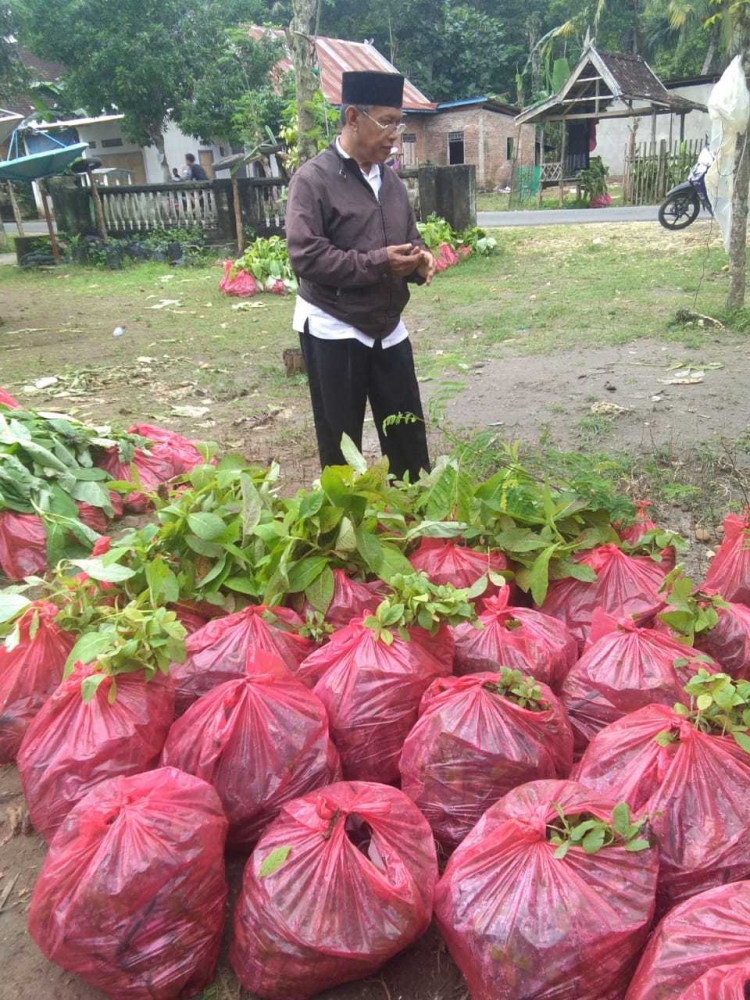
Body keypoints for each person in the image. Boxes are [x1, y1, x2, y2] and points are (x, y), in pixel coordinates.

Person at [286, 71, 435, 482]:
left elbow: (409, 238)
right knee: (341, 445)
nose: (394, 135)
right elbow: (306, 256)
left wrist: (420, 260)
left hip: (388, 327)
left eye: (399, 123)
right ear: (353, 117)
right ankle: (348, 528)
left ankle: (415, 517)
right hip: (334, 326)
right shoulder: (313, 180)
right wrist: (380, 263)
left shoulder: (390, 182)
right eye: (386, 121)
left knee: (407, 434)